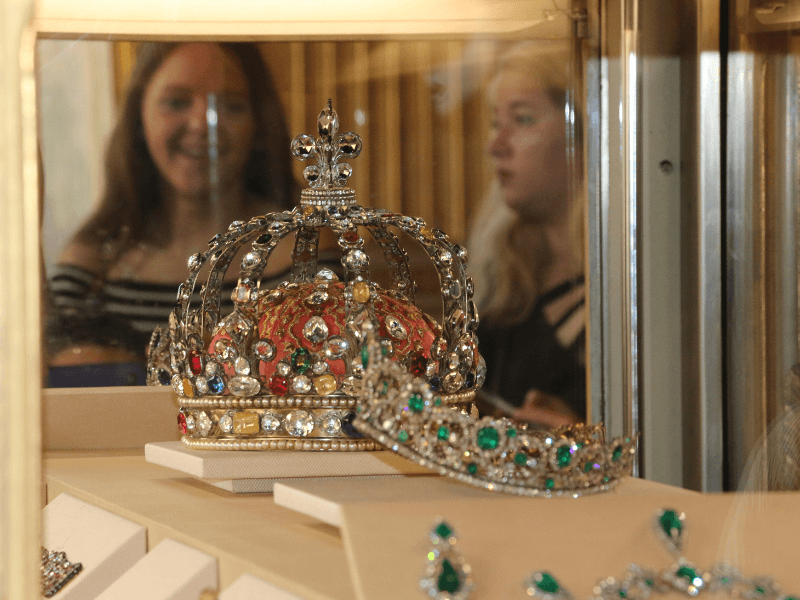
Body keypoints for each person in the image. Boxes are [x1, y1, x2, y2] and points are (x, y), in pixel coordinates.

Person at [46, 42, 302, 379]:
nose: (202, 123)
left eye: (230, 105)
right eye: (177, 102)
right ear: (139, 116)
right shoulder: (88, 271)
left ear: (258, 122)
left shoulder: (306, 258)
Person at [469, 41, 585, 428]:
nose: (495, 145)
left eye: (522, 119)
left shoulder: (629, 293)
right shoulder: (503, 285)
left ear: (584, 135)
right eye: (493, 121)